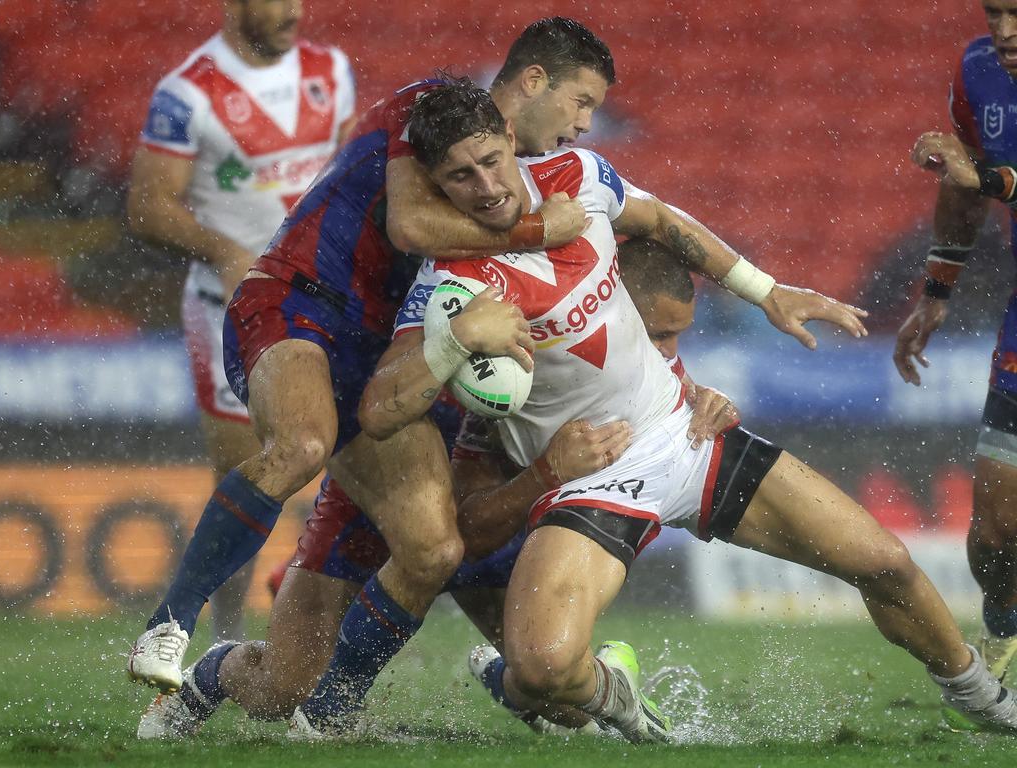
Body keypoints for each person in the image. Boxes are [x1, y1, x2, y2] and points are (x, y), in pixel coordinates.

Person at [127, 17, 868, 697]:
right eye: (580, 102)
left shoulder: (560, 179)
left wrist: (746, 312)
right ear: (534, 83)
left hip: (405, 377)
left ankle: (336, 706)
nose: (584, 123)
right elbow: (414, 227)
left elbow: (642, 262)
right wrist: (533, 235)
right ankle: (172, 623)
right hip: (306, 305)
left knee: (434, 549)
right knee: (304, 443)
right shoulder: (435, 115)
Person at [362, 80, 1017, 742]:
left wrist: (765, 292)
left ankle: (980, 696)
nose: (485, 186)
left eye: (489, 161)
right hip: (594, 480)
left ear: (509, 140)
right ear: (438, 187)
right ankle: (614, 693)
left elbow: (663, 222)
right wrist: (459, 340)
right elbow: (381, 410)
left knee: (884, 562)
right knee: (541, 668)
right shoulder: (452, 287)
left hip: (687, 435)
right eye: (459, 177)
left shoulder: (578, 176)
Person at [135, 235, 740, 739]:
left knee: (558, 696)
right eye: (659, 333)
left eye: (673, 339)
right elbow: (381, 397)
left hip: (485, 522)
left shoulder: (625, 363)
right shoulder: (493, 300)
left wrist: (703, 402)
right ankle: (215, 674)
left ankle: (535, 672)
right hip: (380, 504)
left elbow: (665, 396)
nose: (667, 351)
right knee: (280, 689)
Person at [127, 0, 356, 642]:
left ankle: (325, 626)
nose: (293, 12)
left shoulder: (330, 71)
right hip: (232, 314)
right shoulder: (187, 94)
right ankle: (223, 635)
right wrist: (225, 250)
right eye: (276, 0)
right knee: (253, 472)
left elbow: (351, 178)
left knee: (364, 454)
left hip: (329, 303)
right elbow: (146, 207)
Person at [899, 0, 1017, 686]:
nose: (1003, 31)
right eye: (993, 10)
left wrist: (992, 177)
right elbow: (968, 189)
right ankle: (1003, 631)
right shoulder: (977, 70)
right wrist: (937, 293)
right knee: (998, 536)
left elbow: (990, 181)